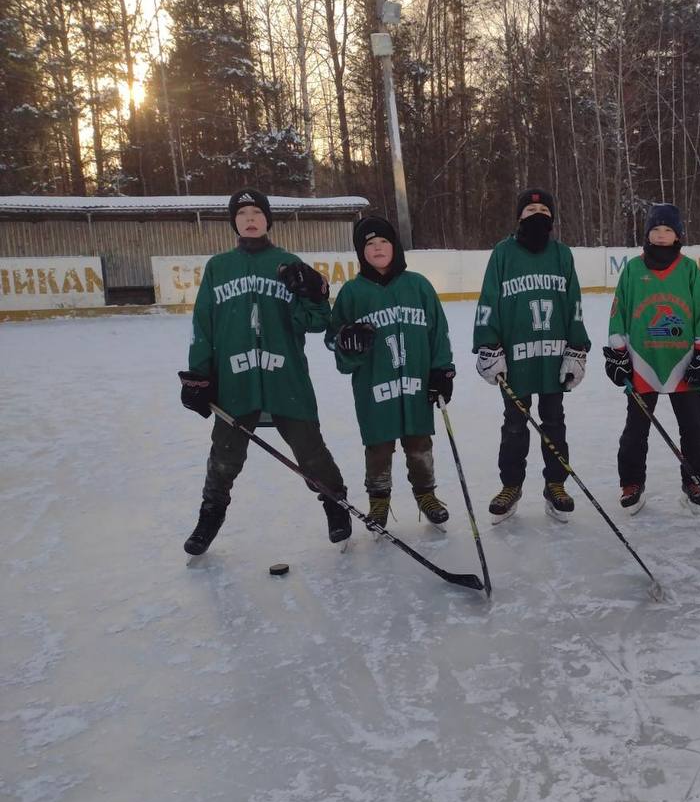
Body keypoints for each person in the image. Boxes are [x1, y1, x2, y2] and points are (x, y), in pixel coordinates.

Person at [179, 189, 350, 555]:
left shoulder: (287, 262)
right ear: (234, 222)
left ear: (268, 219)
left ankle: (335, 504)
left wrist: (315, 296)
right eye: (242, 214)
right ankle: (210, 515)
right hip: (235, 380)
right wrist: (198, 375)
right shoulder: (218, 267)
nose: (250, 218)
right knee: (224, 456)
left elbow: (316, 322)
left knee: (311, 451)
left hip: (285, 377)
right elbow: (203, 324)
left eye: (257, 212)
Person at [326, 215, 455, 533]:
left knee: (419, 443)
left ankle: (427, 495)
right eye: (370, 244)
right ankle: (378, 500)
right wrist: (347, 342)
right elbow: (335, 342)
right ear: (361, 252)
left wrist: (442, 371)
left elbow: (437, 332)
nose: (378, 248)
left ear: (395, 246)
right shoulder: (352, 294)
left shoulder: (418, 285)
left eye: (384, 241)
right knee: (378, 446)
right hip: (374, 385)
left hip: (415, 382)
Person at [473, 188, 590, 523]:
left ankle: (555, 483)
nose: (536, 213)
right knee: (514, 424)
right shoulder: (503, 253)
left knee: (554, 422)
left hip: (553, 357)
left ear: (551, 217)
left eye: (543, 208)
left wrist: (578, 348)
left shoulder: (562, 254)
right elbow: (488, 302)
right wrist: (488, 344)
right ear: (519, 217)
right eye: (529, 209)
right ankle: (511, 485)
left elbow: (575, 304)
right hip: (516, 359)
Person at [603, 203, 700, 514]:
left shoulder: (689, 269)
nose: (662, 235)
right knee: (635, 430)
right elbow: (619, 313)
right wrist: (617, 353)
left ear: (678, 234)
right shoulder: (633, 269)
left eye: (668, 230)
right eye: (656, 229)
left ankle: (695, 481)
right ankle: (632, 483)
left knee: (694, 428)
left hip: (684, 362)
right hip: (642, 361)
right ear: (647, 234)